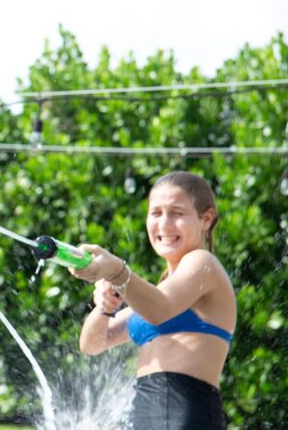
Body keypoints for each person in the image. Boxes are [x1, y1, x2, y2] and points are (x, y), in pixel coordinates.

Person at [70, 171, 236, 429]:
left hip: (185, 416)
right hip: (151, 417)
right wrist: (104, 307)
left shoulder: (203, 263)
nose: (165, 224)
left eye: (177, 213)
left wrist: (116, 272)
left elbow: (162, 310)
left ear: (206, 219)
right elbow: (92, 344)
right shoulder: (158, 291)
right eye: (156, 213)